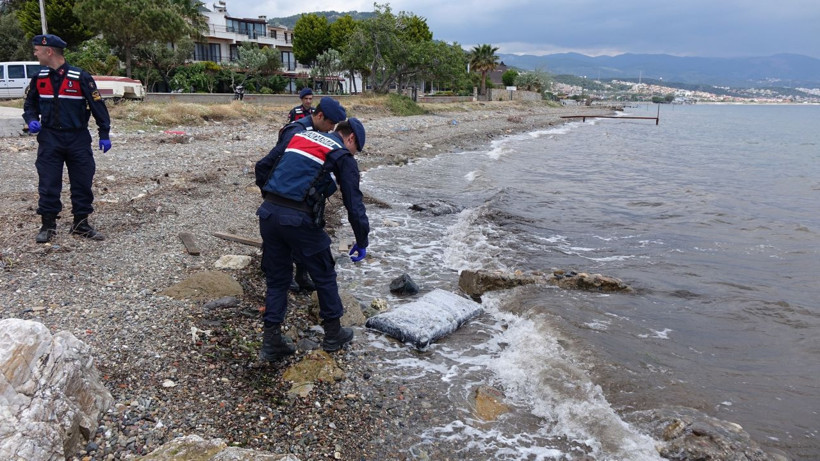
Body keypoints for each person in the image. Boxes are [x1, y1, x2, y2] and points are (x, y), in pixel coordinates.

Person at [255, 117, 369, 361]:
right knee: (324, 273)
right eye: (356, 149)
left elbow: (263, 166)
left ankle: (271, 341)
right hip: (298, 220)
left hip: (268, 214)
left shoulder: (300, 136)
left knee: (277, 279)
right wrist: (362, 241)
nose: (354, 154)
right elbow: (354, 204)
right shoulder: (342, 154)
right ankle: (333, 334)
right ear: (351, 138)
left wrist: (272, 199)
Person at [23, 34, 111, 243]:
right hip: (50, 138)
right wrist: (32, 119)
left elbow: (98, 106)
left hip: (77, 138)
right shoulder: (39, 78)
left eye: (37, 50)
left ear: (49, 51)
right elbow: (29, 105)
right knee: (48, 183)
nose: (35, 54)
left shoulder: (80, 77)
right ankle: (48, 225)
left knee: (82, 181)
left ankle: (81, 224)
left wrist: (104, 133)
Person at [258, 97, 346, 292]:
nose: (332, 129)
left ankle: (301, 274)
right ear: (320, 116)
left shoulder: (318, 132)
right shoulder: (296, 131)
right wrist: (270, 194)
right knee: (284, 233)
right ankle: (276, 272)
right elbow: (266, 164)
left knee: (307, 225)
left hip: (305, 194)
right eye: (330, 124)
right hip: (284, 193)